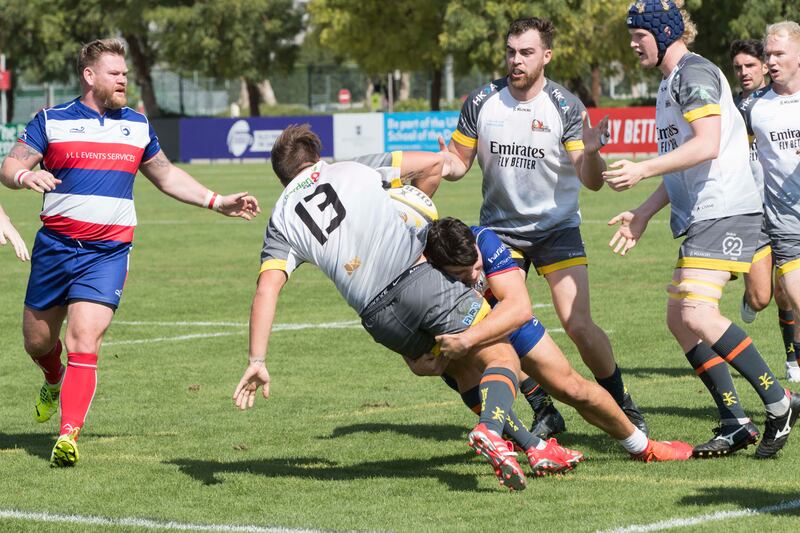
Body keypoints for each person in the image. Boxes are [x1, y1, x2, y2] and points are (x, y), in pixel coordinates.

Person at [231, 124, 587, 490]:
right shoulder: (352, 166)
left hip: (378, 318)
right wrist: (421, 213)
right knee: (501, 355)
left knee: (465, 370)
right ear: (315, 158)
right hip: (417, 279)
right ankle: (492, 431)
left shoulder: (282, 218)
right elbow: (432, 163)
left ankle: (533, 447)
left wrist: (257, 360)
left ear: (282, 177)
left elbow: (266, 290)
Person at [0, 38, 261, 467]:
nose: (123, 80)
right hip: (55, 249)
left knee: (83, 340)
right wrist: (25, 178)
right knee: (38, 341)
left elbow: (166, 175)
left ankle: (69, 434)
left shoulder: (137, 126)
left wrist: (217, 201)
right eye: (114, 73)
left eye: (125, 74)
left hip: (107, 253)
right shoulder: (52, 119)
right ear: (90, 76)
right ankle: (52, 377)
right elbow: (10, 165)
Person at [604, 0, 799, 459]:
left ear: (665, 32)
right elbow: (682, 166)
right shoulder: (668, 84)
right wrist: (645, 211)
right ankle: (735, 419)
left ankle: (778, 401)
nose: (632, 44)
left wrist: (642, 168)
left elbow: (707, 145)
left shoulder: (694, 74)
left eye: (639, 35)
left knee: (697, 313)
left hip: (727, 207)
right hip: (703, 213)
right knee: (680, 319)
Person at [441, 16, 648, 440]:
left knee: (579, 326)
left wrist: (592, 153)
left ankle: (621, 402)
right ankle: (544, 409)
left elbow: (590, 179)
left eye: (526, 53)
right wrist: (427, 166)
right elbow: (457, 165)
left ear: (546, 56)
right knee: (500, 323)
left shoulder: (566, 106)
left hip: (556, 230)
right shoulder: (482, 100)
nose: (516, 61)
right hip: (500, 231)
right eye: (511, 52)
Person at [421, 217, 693, 462]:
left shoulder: (484, 239)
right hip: (459, 331)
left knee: (573, 388)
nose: (474, 276)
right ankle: (531, 447)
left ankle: (643, 447)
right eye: (460, 275)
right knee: (472, 385)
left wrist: (468, 339)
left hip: (502, 320)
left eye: (477, 267)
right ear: (435, 264)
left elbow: (519, 307)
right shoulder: (421, 270)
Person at [730, 39, 797, 379]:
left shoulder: (780, 103)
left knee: (789, 289)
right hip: (751, 214)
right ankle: (749, 292)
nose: (744, 72)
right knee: (760, 299)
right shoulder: (735, 110)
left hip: (784, 211)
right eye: (738, 67)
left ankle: (792, 359)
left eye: (750, 65)